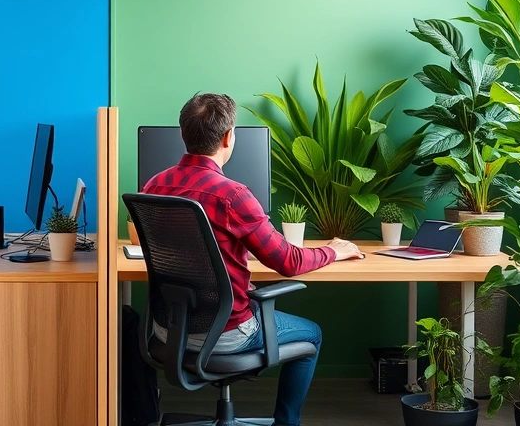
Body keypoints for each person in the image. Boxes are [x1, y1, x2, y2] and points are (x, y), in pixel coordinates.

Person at [141, 92, 363, 426]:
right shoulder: (233, 196)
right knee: (312, 334)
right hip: (226, 333)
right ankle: (286, 422)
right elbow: (287, 261)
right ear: (229, 137)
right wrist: (336, 250)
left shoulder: (154, 185)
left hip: (168, 329)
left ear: (183, 134)